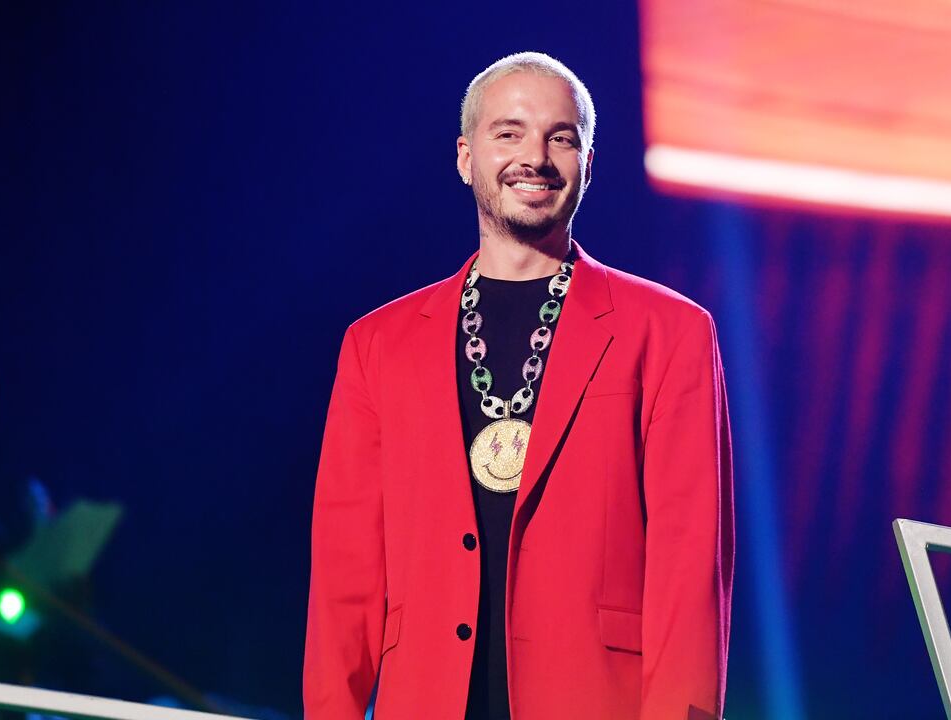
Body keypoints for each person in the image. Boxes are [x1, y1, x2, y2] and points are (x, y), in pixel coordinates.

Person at [303, 51, 734, 720]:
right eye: (509, 132)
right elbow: (344, 577)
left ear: (588, 164)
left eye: (561, 137)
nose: (535, 156)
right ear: (465, 157)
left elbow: (689, 574)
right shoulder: (377, 345)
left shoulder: (671, 332)